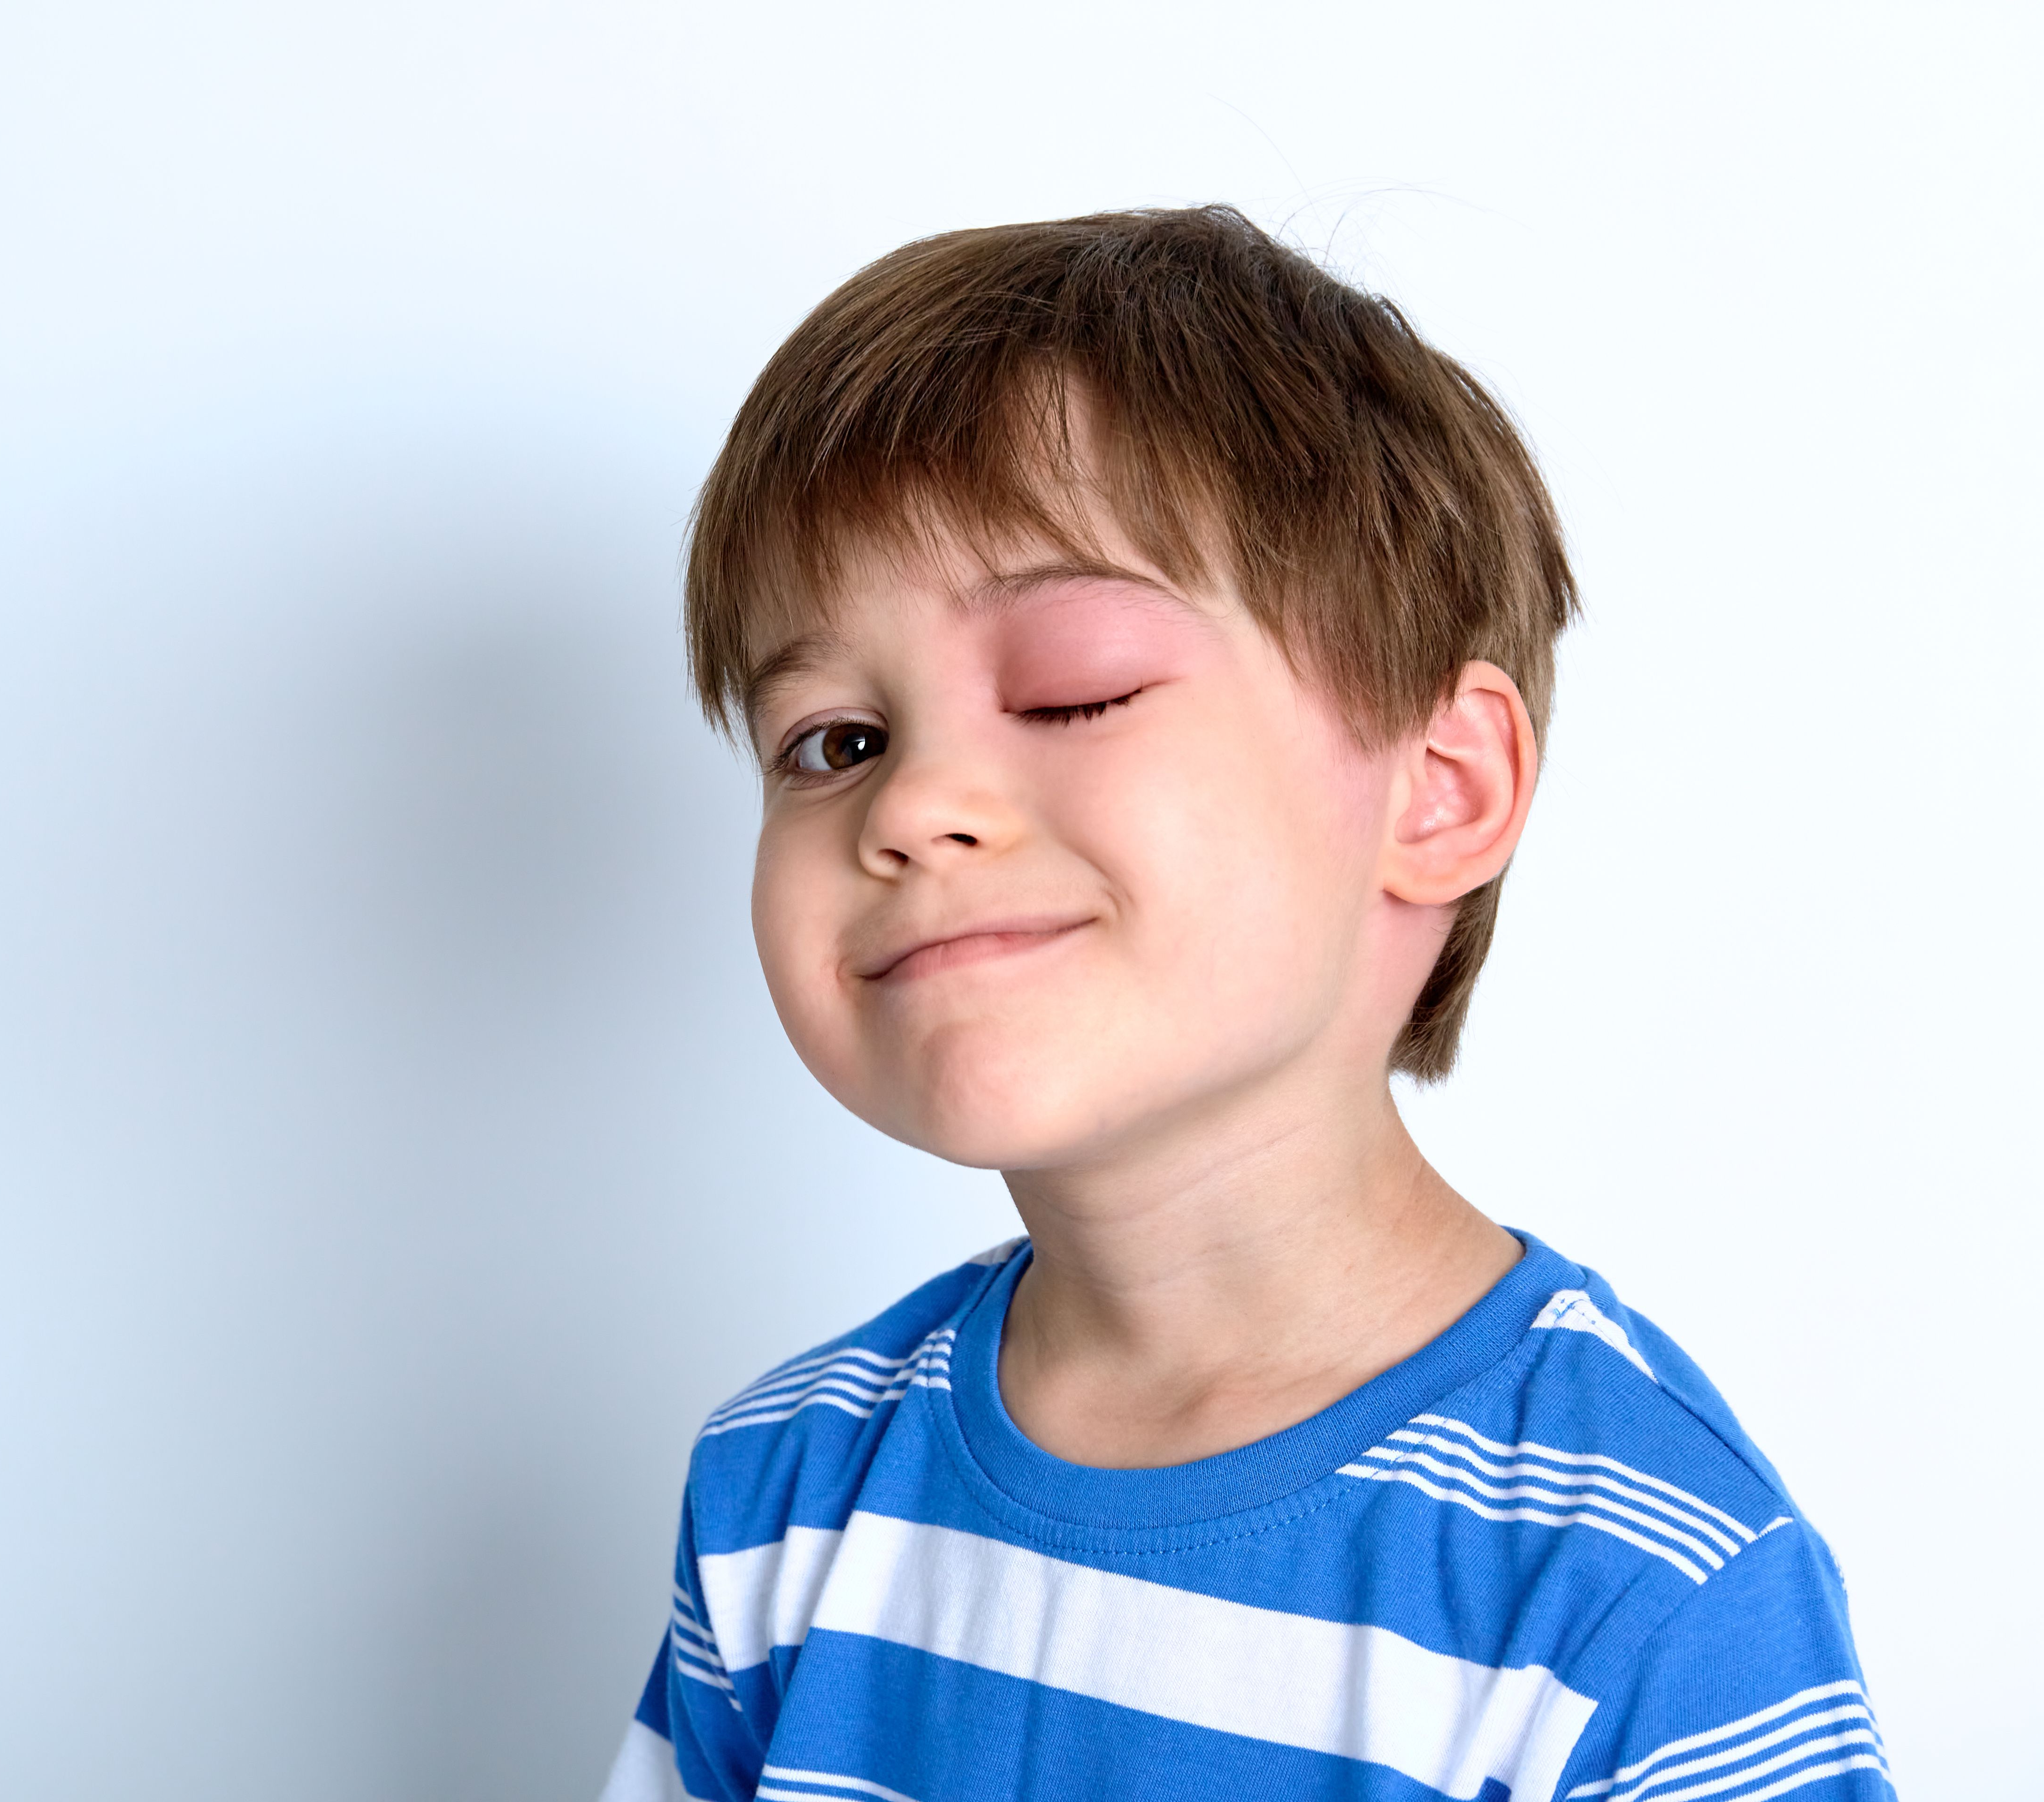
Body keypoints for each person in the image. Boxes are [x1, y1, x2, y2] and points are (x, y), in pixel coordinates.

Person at [597, 208, 1888, 1802]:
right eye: (836, 742)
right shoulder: (781, 1488)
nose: (910, 805)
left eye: (1072, 688)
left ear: (1438, 790)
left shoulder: (1639, 1581)